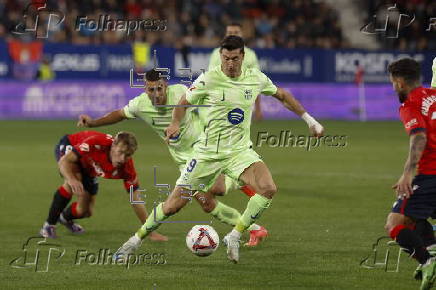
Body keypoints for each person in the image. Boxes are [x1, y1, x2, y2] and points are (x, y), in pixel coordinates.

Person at [114, 36, 324, 263]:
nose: (230, 63)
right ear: (221, 56)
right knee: (173, 205)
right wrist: (175, 123)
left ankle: (235, 235)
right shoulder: (210, 78)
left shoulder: (255, 78)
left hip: (240, 152)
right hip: (207, 154)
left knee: (268, 188)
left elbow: (282, 95)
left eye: (234, 58)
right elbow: (184, 101)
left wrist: (310, 120)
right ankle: (133, 242)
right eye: (226, 58)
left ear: (242, 56)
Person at [77, 69, 268, 247]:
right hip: (183, 160)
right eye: (151, 89)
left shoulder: (180, 92)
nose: (156, 94)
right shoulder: (140, 104)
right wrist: (93, 122)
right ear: (145, 89)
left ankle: (239, 178)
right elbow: (119, 115)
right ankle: (255, 229)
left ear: (165, 86)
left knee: (217, 189)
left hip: (204, 150)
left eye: (159, 88)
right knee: (207, 203)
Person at [39, 130, 167, 242]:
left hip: (89, 165)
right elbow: (65, 161)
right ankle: (49, 225)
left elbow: (136, 199)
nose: (123, 158)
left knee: (85, 211)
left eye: (128, 155)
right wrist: (71, 179)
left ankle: (65, 218)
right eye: (120, 152)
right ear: (113, 146)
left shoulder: (127, 168)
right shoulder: (96, 143)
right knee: (73, 183)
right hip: (71, 148)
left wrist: (149, 231)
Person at [384, 58, 436, 290]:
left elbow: (419, 136)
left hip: (429, 173)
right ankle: (432, 250)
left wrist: (408, 174)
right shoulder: (433, 94)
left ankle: (428, 261)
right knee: (418, 218)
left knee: (395, 223)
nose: (393, 86)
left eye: (393, 82)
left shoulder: (410, 104)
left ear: (400, 82)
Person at [209, 23, 263, 121]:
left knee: (241, 135)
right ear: (225, 34)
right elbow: (211, 80)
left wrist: (258, 108)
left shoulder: (250, 55)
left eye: (236, 32)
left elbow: (256, 81)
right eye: (230, 32)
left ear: (242, 34)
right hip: (220, 105)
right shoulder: (216, 54)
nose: (232, 35)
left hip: (242, 104)